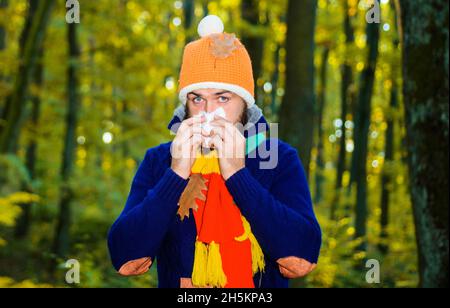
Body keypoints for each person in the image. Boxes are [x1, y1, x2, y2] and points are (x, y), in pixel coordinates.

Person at [108, 15, 321, 288]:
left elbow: (303, 254)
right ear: (184, 105)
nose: (208, 113)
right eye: (197, 99)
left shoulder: (277, 158)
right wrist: (175, 175)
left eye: (223, 97)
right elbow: (125, 255)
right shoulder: (159, 160)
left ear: (245, 106)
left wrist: (237, 174)